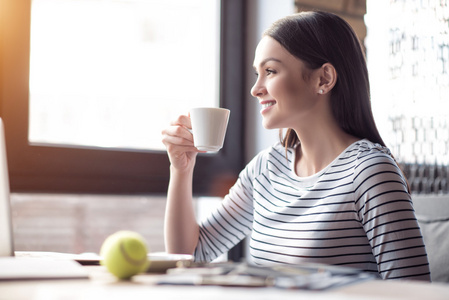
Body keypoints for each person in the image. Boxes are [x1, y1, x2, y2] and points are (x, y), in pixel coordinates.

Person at [161, 11, 431, 281]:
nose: (255, 89)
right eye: (257, 73)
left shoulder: (371, 172)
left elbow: (414, 292)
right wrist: (181, 169)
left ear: (323, 79)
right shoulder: (265, 170)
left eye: (270, 71)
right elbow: (191, 255)